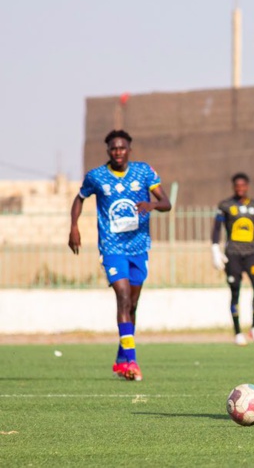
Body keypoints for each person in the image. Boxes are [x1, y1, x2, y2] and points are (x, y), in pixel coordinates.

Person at [69, 129, 172, 381]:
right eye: (113, 148)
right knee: (123, 297)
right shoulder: (96, 176)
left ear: (129, 149)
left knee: (133, 304)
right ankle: (132, 362)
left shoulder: (144, 172)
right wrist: (74, 227)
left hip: (139, 247)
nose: (118, 152)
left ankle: (120, 359)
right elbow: (79, 198)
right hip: (112, 248)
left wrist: (152, 205)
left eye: (122, 148)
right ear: (108, 151)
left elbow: (167, 203)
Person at [211, 172, 254, 346]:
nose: (240, 189)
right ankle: (237, 332)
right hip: (233, 254)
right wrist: (215, 250)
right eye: (237, 186)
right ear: (233, 187)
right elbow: (217, 229)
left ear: (247, 186)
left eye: (243, 186)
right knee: (235, 290)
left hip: (252, 253)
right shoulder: (225, 205)